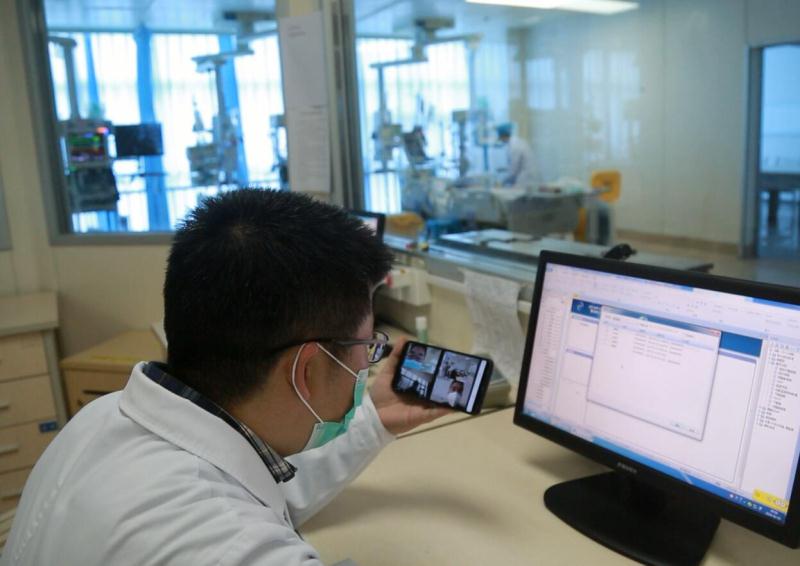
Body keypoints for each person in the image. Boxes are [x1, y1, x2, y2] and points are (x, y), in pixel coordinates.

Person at [2, 189, 450, 565]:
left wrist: (374, 418)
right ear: (306, 369)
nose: (366, 364)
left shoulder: (101, 419)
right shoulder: (224, 546)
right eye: (367, 347)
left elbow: (258, 489)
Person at [497, 123, 535, 189]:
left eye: (499, 137)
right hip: (528, 177)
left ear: (502, 135)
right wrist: (504, 169)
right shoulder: (518, 142)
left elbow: (514, 170)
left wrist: (502, 182)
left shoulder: (514, 146)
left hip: (525, 179)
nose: (499, 139)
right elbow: (517, 164)